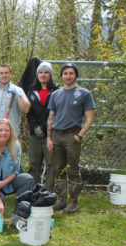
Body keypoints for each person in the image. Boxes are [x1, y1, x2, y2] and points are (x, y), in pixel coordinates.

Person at [47, 63, 94, 213]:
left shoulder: (84, 94)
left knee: (73, 169)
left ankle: (73, 202)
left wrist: (79, 135)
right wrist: (49, 137)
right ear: (61, 76)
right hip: (56, 136)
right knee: (58, 169)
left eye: (71, 73)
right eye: (65, 73)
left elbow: (89, 118)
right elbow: (51, 117)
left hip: (72, 136)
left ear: (76, 75)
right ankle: (61, 200)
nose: (68, 76)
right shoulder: (55, 94)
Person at [26, 61, 59, 189]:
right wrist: (35, 127)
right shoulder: (31, 91)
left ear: (50, 75)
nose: (43, 75)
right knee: (34, 163)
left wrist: (45, 128)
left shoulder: (57, 90)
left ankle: (49, 190)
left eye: (46, 72)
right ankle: (33, 190)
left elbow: (57, 112)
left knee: (51, 163)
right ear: (37, 74)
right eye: (40, 72)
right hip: (35, 134)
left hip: (51, 134)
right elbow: (28, 112)